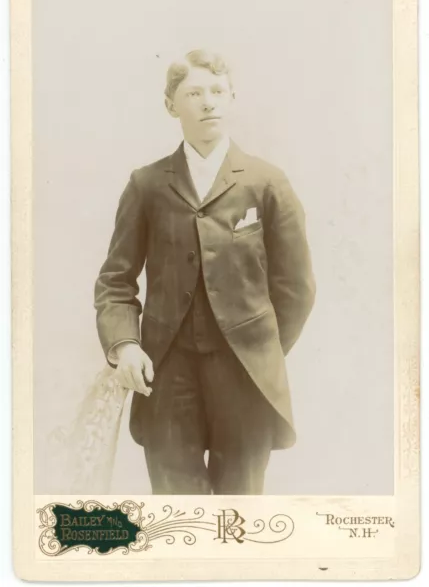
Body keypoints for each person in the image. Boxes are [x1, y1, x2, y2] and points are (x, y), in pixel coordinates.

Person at [94, 49, 316, 495]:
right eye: (194, 93)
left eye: (217, 91)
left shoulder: (267, 182)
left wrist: (260, 348)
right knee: (177, 509)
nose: (208, 102)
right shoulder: (147, 184)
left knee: (240, 509)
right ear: (171, 105)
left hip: (246, 375)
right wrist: (126, 345)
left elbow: (296, 288)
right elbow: (115, 282)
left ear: (232, 98)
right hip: (166, 371)